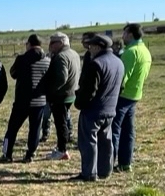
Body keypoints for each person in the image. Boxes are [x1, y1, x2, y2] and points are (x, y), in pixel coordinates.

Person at [74, 35, 124, 181]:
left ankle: (89, 173)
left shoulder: (96, 64)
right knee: (106, 142)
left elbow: (89, 91)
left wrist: (79, 103)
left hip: (93, 110)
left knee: (89, 142)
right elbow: (121, 87)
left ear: (97, 47)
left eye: (90, 47)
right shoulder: (118, 63)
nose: (89, 50)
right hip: (110, 109)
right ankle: (105, 170)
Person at [0, 34, 50, 163]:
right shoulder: (47, 60)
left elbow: (13, 73)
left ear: (29, 44)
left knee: (12, 128)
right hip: (39, 101)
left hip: (22, 100)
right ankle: (30, 154)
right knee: (35, 129)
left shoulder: (22, 59)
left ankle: (7, 154)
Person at [112, 23, 152, 172]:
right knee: (128, 130)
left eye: (124, 34)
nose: (122, 37)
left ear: (130, 34)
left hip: (122, 95)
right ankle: (125, 162)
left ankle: (108, 163)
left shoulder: (130, 52)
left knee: (114, 130)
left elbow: (122, 78)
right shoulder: (145, 51)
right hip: (135, 95)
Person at [41, 33, 88, 143]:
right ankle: (67, 137)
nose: (50, 45)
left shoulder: (61, 56)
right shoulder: (74, 53)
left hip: (61, 95)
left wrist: (51, 91)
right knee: (65, 118)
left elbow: (62, 78)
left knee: (60, 122)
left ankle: (62, 147)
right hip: (72, 92)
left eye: (53, 42)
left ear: (61, 43)